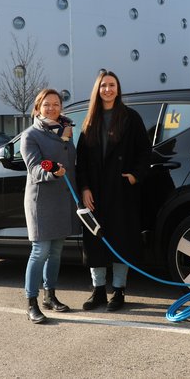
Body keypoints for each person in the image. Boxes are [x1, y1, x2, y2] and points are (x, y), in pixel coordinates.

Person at [76, 70, 151, 312]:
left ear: (118, 89)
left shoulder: (131, 117)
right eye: (103, 86)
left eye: (112, 85)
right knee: (95, 241)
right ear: (97, 90)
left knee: (121, 240)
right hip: (95, 192)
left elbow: (144, 151)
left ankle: (118, 292)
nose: (108, 89)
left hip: (121, 191)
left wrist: (134, 176)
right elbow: (82, 160)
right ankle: (98, 290)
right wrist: (84, 188)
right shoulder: (90, 120)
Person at [20, 88, 81, 324]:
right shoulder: (30, 135)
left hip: (63, 198)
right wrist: (54, 172)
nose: (52, 108)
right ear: (38, 108)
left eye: (56, 104)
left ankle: (50, 296)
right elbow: (35, 170)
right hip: (41, 200)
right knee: (40, 251)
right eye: (47, 104)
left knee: (56, 251)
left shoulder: (66, 131)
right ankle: (31, 303)